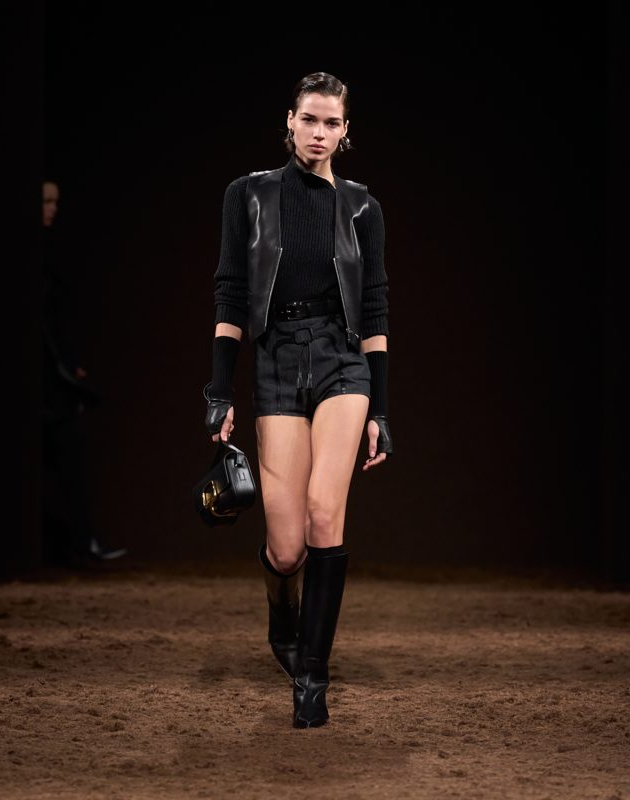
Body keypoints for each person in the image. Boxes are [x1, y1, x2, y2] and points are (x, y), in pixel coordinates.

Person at [204, 72, 393, 728]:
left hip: (343, 360)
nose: (319, 132)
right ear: (289, 121)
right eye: (309, 119)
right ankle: (283, 622)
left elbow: (374, 307)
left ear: (346, 131)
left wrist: (381, 409)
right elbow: (231, 292)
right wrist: (218, 389)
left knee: (323, 513)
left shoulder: (362, 207)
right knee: (286, 550)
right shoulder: (249, 194)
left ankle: (312, 677)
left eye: (331, 122)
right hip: (278, 359)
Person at [42, 180, 128, 566]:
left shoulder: (50, 256)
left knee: (69, 456)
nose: (52, 209)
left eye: (55, 201)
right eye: (46, 201)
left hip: (55, 379)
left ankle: (79, 541)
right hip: (44, 381)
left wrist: (68, 365)